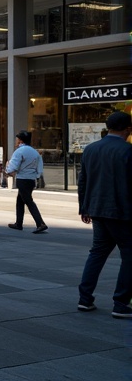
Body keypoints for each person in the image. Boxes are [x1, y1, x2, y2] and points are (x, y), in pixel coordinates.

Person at [76, 110, 132, 317]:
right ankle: (120, 303)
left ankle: (85, 298)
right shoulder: (128, 151)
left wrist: (84, 207)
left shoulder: (90, 149)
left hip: (97, 209)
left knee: (97, 253)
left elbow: (83, 181)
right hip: (122, 212)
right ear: (127, 129)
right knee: (129, 254)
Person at [5, 130, 48, 233]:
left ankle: (40, 223)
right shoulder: (34, 152)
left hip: (22, 178)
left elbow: (13, 166)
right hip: (31, 179)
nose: (16, 141)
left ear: (20, 140)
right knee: (20, 200)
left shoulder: (19, 151)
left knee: (28, 201)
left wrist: (8, 169)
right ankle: (18, 223)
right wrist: (37, 175)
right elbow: (40, 167)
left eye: (16, 139)